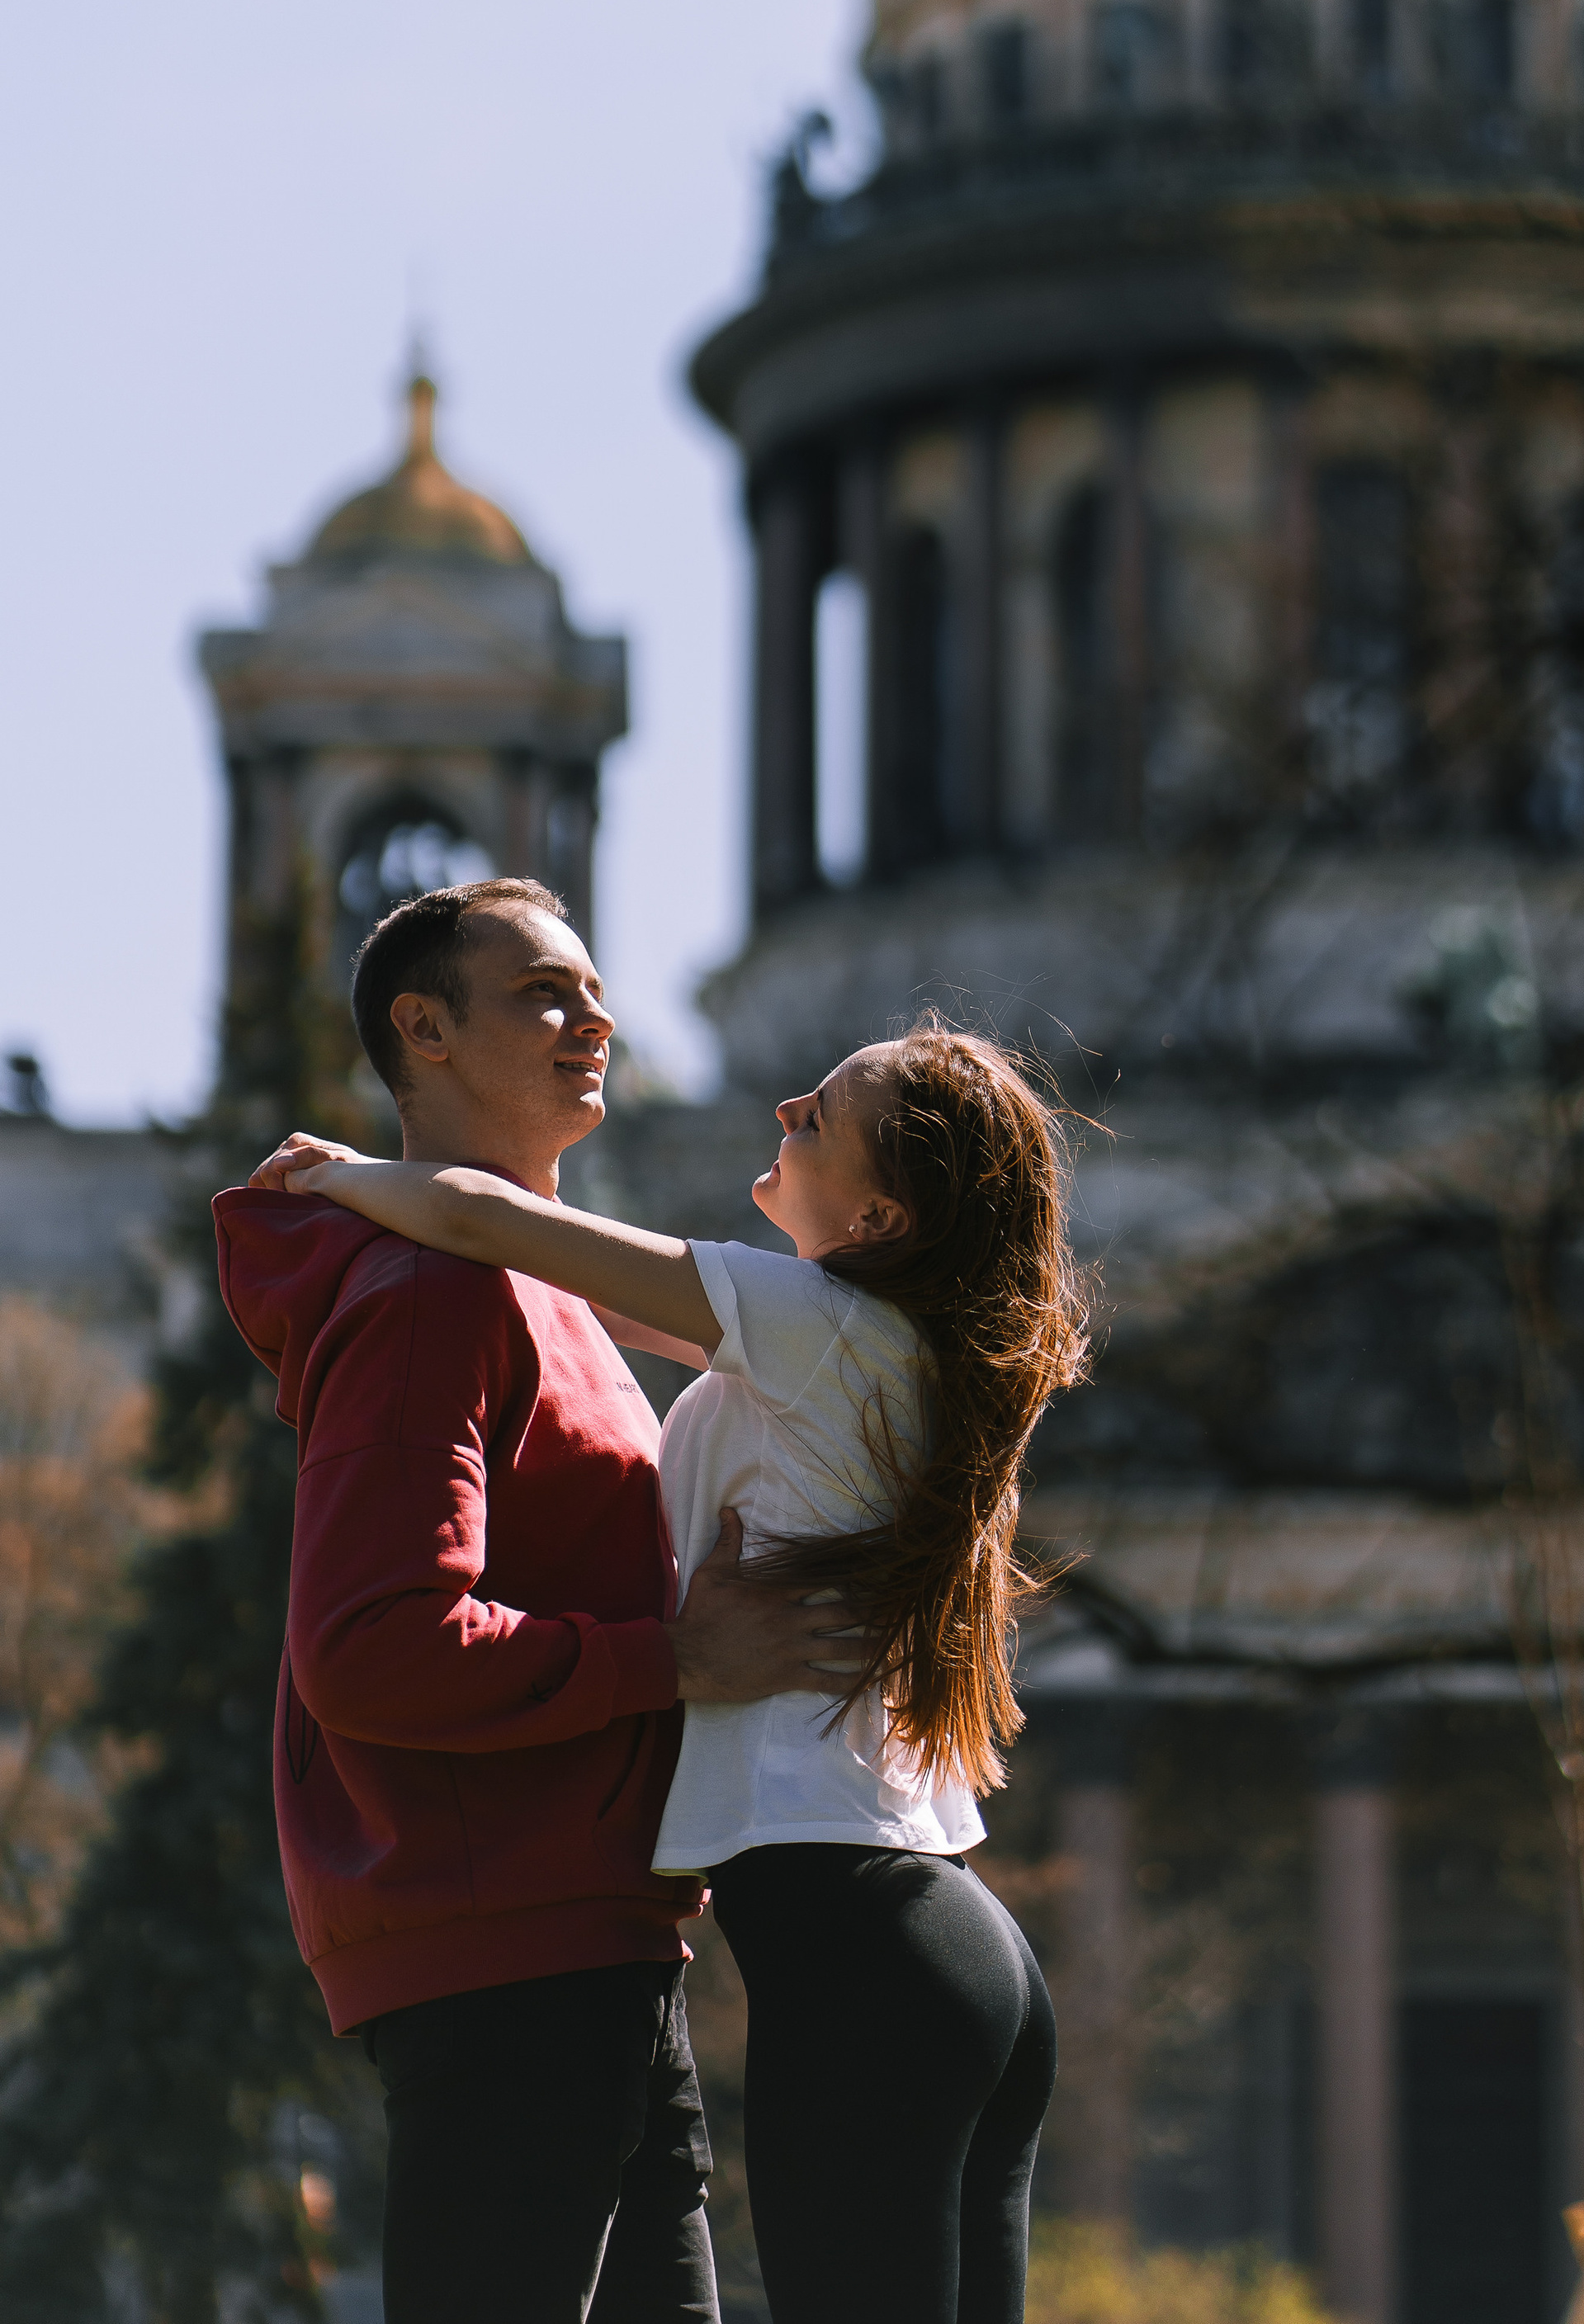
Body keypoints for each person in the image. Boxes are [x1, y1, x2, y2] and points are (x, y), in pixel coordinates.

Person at [255, 1005, 1091, 2324]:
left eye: (822, 1114)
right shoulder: (884, 1357)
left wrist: (340, 1179)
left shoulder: (817, 1324)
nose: (785, 1112)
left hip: (866, 1961)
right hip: (950, 1950)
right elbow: (571, 1299)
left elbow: (489, 1224)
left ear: (877, 1218)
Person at [220, 876, 872, 2324]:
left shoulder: (531, 1280)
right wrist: (676, 1659)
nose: (595, 1020)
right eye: (543, 994)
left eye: (593, 992)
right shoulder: (429, 1297)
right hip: (508, 1949)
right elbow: (370, 1646)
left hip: (602, 1939)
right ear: (425, 1031)